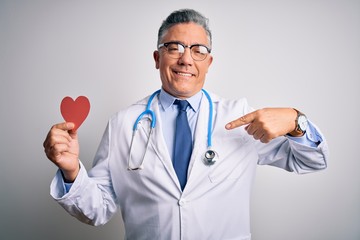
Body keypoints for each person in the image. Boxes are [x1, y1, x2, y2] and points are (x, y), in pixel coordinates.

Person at [43, 9, 328, 240]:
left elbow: (312, 161)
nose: (186, 59)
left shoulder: (240, 117)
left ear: (209, 62)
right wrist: (71, 172)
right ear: (157, 58)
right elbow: (98, 210)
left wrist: (295, 120)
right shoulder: (123, 123)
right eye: (174, 47)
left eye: (198, 50)